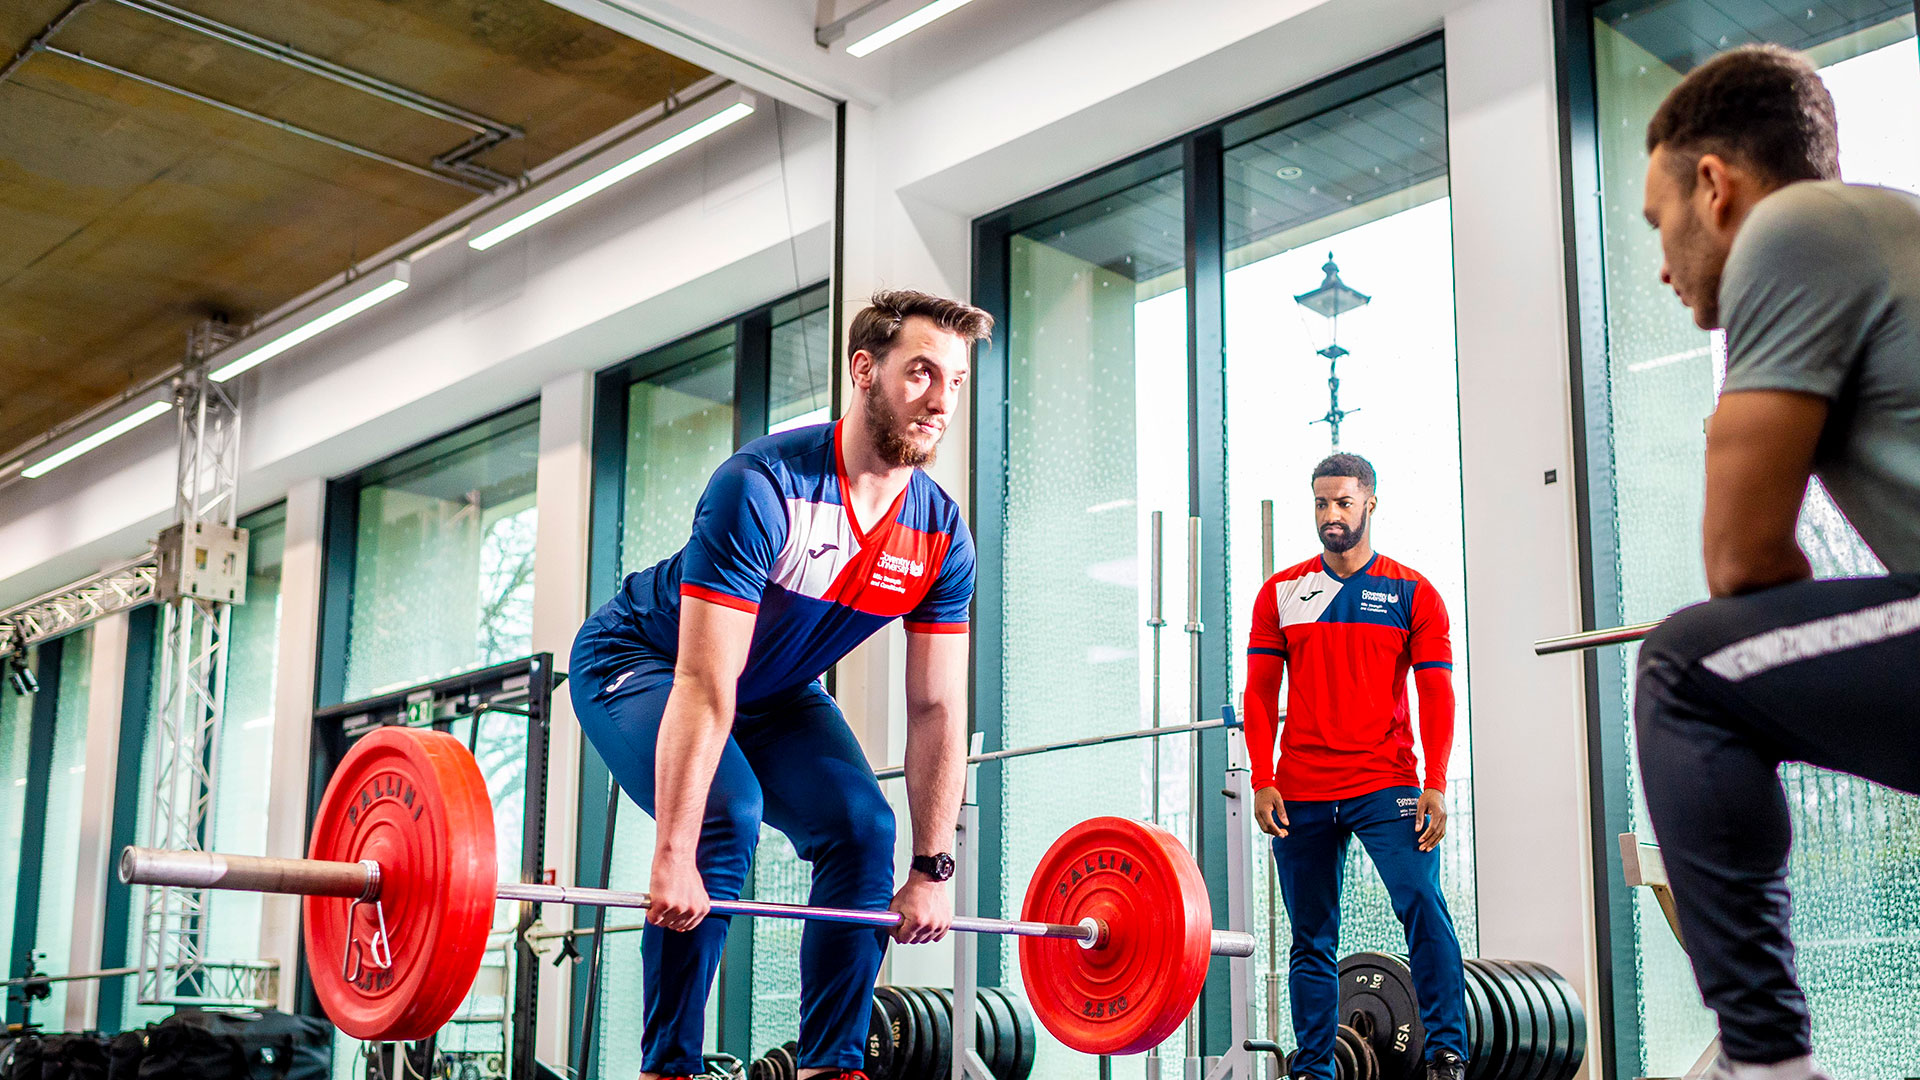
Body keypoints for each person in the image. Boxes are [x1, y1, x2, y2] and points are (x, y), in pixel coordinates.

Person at [568, 290, 991, 1080]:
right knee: (724, 813)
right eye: (921, 373)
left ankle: (831, 1066)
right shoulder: (764, 486)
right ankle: (669, 1067)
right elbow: (704, 680)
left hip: (771, 689)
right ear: (864, 370)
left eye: (956, 381)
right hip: (644, 661)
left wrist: (933, 871)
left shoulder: (939, 534)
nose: (941, 400)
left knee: (863, 829)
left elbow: (936, 708)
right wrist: (673, 854)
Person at [1632, 43, 1920, 1080]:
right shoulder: (1883, 229)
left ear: (1714, 187)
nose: (1663, 265)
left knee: (1685, 668)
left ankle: (1763, 1063)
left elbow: (1740, 561)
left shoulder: (1794, 227)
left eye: (1659, 222)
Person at [1242, 453, 1466, 1080]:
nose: (1331, 515)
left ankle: (1447, 1053)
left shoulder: (1413, 592)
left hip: (1385, 782)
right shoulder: (1282, 593)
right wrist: (1263, 778)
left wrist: (1436, 783)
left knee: (1422, 903)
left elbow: (1436, 694)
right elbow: (1259, 694)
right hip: (1302, 789)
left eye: (1343, 502)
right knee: (1311, 937)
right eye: (1321, 503)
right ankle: (1313, 1070)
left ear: (1370, 503)